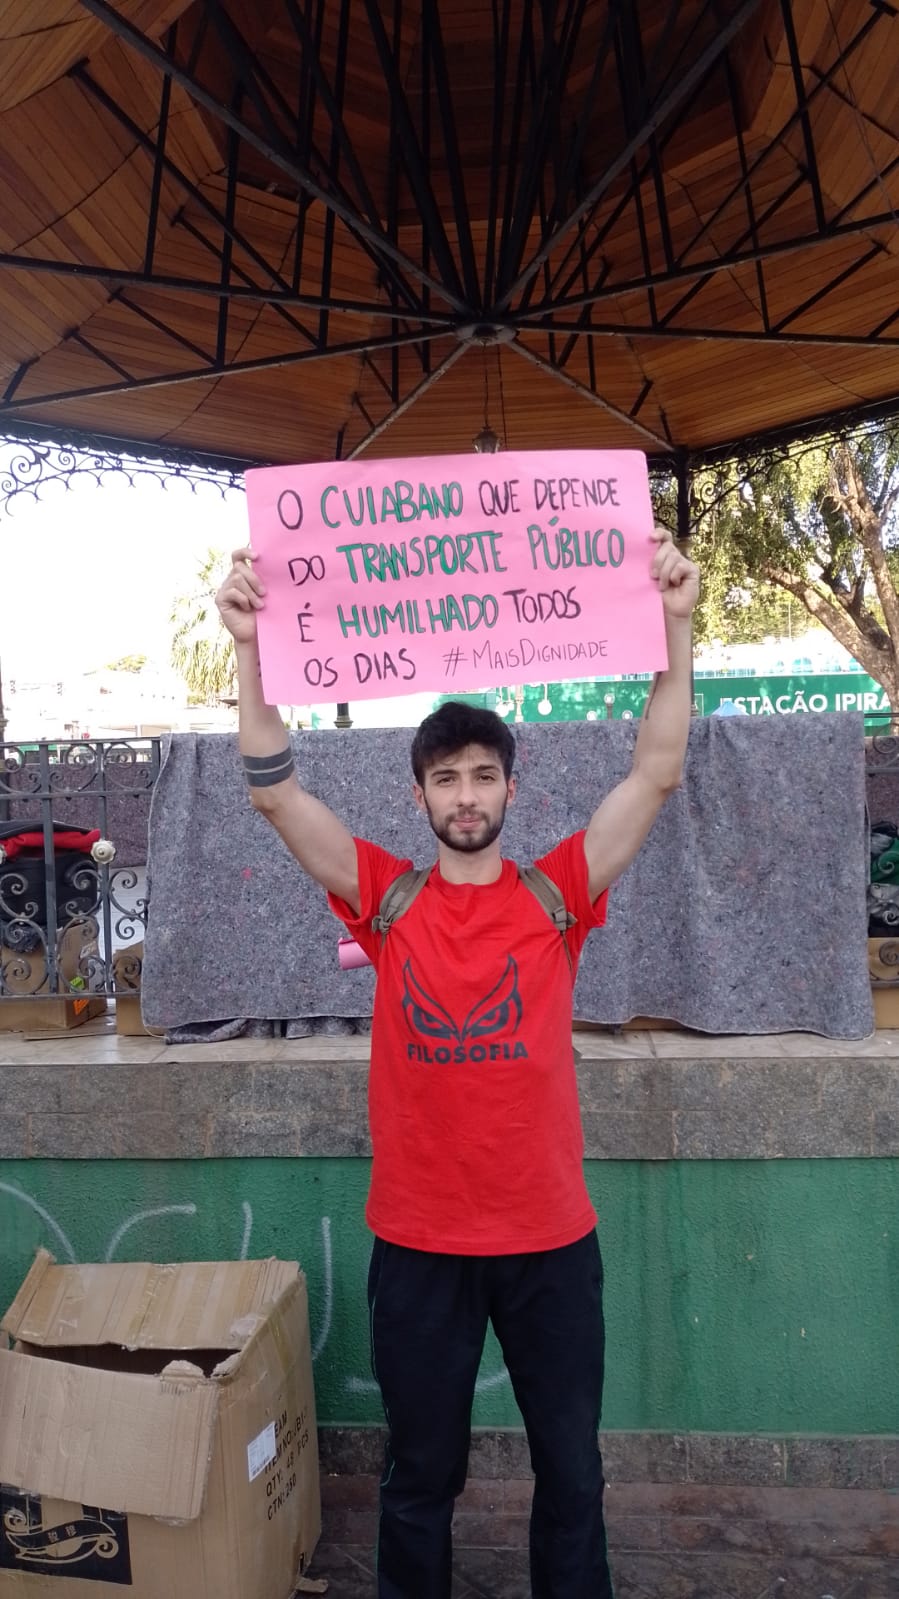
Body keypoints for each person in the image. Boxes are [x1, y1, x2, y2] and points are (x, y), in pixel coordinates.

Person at [215, 525, 699, 1599]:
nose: (466, 794)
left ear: (510, 791)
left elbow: (656, 770)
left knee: (572, 1474)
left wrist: (675, 623)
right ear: (420, 797)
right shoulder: (386, 898)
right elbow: (273, 791)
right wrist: (249, 647)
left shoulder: (557, 894)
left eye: (484, 776)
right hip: (420, 1244)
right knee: (418, 1478)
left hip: (550, 1242)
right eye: (446, 779)